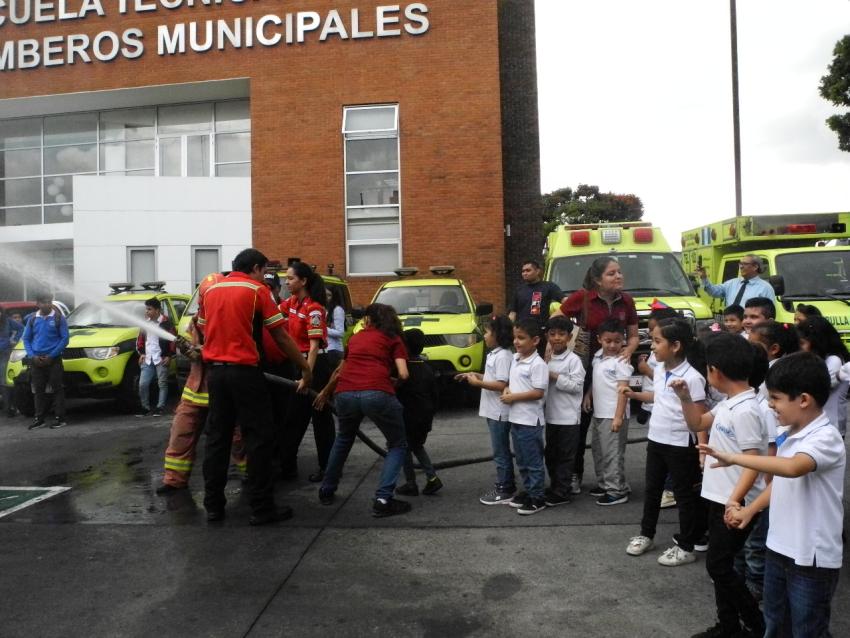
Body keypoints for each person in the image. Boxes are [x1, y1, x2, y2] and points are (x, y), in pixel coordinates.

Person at [703, 352, 844, 638]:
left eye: (777, 398)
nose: (770, 404)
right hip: (779, 547)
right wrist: (749, 509)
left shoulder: (825, 437)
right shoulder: (789, 432)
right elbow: (780, 482)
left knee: (807, 629)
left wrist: (735, 458)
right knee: (775, 623)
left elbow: (792, 468)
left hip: (810, 556)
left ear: (803, 399)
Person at [197, 248, 311, 526]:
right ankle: (261, 508)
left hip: (216, 375)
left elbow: (200, 328)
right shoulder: (257, 290)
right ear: (257, 268)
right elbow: (281, 336)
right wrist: (305, 368)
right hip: (245, 374)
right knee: (259, 438)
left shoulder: (211, 291)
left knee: (217, 438)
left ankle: (213, 506)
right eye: (264, 271)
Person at [670, 332, 768, 638]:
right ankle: (727, 626)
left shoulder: (748, 409)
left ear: (716, 372)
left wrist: (734, 501)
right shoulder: (729, 403)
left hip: (733, 502)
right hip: (718, 496)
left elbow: (753, 461)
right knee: (722, 566)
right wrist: (685, 398)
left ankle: (756, 625)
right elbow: (698, 424)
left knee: (719, 567)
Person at [622, 318, 709, 565]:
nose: (652, 346)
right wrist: (635, 394)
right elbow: (658, 397)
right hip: (657, 438)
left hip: (680, 443)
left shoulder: (692, 377)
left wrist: (702, 451)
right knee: (652, 489)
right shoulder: (660, 370)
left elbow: (700, 416)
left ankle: (687, 545)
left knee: (684, 495)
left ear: (676, 346)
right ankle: (645, 534)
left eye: (658, 341)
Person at [314, 303, 412, 517]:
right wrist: (389, 385)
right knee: (397, 444)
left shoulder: (355, 338)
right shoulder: (393, 338)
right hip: (377, 392)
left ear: (368, 320)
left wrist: (326, 391)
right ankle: (383, 498)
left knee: (344, 438)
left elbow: (342, 370)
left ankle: (326, 490)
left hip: (345, 393)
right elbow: (404, 374)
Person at [552, 256, 639, 494]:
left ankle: (611, 481)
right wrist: (566, 342)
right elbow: (556, 319)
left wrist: (627, 351)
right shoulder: (582, 298)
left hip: (613, 372)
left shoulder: (627, 301)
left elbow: (633, 335)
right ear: (598, 280)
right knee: (579, 425)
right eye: (612, 273)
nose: (618, 276)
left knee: (608, 427)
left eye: (619, 272)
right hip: (584, 367)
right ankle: (574, 475)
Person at [279, 261, 336, 483]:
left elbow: (314, 347)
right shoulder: (292, 302)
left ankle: (327, 469)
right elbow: (272, 315)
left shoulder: (314, 309)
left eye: (290, 278)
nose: (287, 282)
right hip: (299, 364)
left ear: (303, 281)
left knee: (321, 420)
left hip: (315, 367)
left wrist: (307, 376)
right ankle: (287, 467)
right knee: (293, 418)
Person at [456, 315, 516, 506]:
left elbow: (502, 383)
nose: (485, 335)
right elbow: (494, 377)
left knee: (500, 452)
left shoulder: (504, 356)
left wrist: (478, 383)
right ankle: (505, 485)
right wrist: (474, 375)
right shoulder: (495, 354)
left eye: (489, 331)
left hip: (499, 411)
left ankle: (505, 488)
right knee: (499, 450)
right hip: (492, 410)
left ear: (499, 335)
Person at [500, 319, 549, 515]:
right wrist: (506, 389)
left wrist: (513, 397)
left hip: (530, 421)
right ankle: (529, 490)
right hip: (516, 419)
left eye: (522, 338)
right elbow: (511, 382)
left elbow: (538, 392)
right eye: (515, 338)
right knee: (521, 459)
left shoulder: (538, 364)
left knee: (533, 460)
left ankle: (538, 497)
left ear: (535, 340)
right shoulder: (515, 358)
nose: (517, 342)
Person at [583, 318, 633, 506]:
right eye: (608, 341)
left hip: (613, 415)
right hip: (599, 414)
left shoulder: (621, 362)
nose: (612, 345)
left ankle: (616, 490)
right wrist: (589, 395)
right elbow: (597, 381)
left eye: (617, 341)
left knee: (612, 453)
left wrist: (618, 417)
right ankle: (606, 483)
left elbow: (623, 391)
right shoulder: (597, 357)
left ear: (624, 341)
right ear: (599, 339)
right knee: (599, 450)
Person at [542, 315, 585, 507]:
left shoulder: (574, 360)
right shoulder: (547, 359)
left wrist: (553, 376)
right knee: (551, 454)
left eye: (561, 334)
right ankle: (555, 486)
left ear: (569, 337)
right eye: (552, 334)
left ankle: (562, 491)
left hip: (568, 418)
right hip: (551, 416)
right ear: (547, 336)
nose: (557, 338)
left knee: (565, 457)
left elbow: (576, 386)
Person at [395, 328, 442, 496]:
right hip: (425, 417)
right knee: (416, 445)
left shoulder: (403, 370)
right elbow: (435, 396)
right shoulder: (427, 369)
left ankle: (412, 482)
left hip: (409, 417)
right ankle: (431, 478)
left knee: (405, 447)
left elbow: (397, 388)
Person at [22, 293, 69, 430]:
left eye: (49, 302)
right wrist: (32, 356)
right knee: (38, 390)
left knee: (57, 389)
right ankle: (39, 419)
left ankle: (60, 418)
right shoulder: (32, 319)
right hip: (36, 360)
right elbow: (26, 339)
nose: (47, 304)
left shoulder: (59, 318)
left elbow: (64, 339)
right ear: (38, 303)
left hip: (54, 360)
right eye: (43, 302)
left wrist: (52, 355)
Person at [797, 316, 849, 437]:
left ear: (817, 343)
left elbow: (811, 387)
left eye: (802, 343)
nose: (799, 348)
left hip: (830, 425)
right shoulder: (815, 360)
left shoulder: (833, 360)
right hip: (815, 424)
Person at [507, 259, 563, 354]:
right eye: (523, 271)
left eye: (528, 270)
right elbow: (512, 313)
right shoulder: (519, 290)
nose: (525, 273)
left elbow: (566, 301)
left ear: (537, 271)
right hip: (522, 333)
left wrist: (556, 317)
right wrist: (508, 330)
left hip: (541, 333)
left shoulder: (548, 287)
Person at [135, 297, 176, 418]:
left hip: (161, 359)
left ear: (157, 310)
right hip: (147, 358)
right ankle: (145, 408)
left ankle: (160, 407)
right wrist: (142, 353)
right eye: (146, 309)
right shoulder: (145, 323)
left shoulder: (167, 323)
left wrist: (169, 356)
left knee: (162, 383)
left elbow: (173, 340)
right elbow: (140, 340)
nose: (146, 312)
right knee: (143, 384)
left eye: (149, 309)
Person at [697, 254, 775, 307]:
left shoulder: (765, 288)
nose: (741, 266)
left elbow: (769, 312)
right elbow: (713, 292)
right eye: (740, 264)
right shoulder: (731, 283)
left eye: (744, 264)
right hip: (731, 327)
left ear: (755, 267)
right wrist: (704, 277)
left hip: (751, 328)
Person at [0, 307, 25, 418]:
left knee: (5, 381)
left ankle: (9, 408)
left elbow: (21, 328)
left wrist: (14, 340)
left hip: (5, 353)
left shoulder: (7, 321)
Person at [325, 286, 347, 371]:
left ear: (335, 297)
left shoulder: (337, 310)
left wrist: (324, 329)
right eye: (325, 295)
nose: (326, 298)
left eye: (329, 295)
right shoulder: (326, 309)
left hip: (334, 350)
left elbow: (340, 333)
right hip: (327, 349)